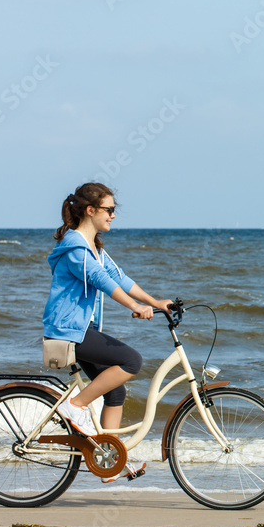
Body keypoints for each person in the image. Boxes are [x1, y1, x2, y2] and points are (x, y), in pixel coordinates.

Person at [42, 183, 172, 480]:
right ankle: (74, 406)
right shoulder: (76, 247)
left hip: (80, 329)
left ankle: (108, 459)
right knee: (131, 361)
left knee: (115, 391)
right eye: (109, 210)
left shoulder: (95, 247)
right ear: (91, 210)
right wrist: (133, 306)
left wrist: (155, 302)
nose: (113, 216)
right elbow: (99, 279)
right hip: (67, 331)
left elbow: (118, 277)